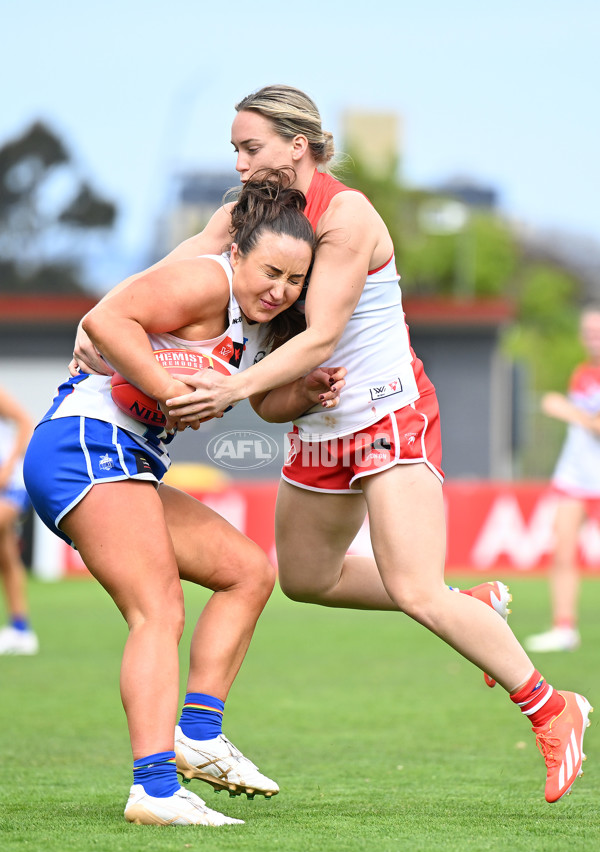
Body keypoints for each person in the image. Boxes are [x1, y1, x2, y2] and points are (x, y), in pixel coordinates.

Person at [72, 85, 592, 804]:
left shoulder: (347, 218)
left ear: (298, 145)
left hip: (385, 416)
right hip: (314, 422)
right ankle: (466, 605)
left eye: (251, 148)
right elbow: (182, 258)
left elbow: (318, 336)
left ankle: (550, 706)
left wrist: (229, 392)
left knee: (413, 588)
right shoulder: (247, 216)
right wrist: (96, 319)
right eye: (234, 151)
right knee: (306, 578)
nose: (242, 163)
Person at [24, 174, 341, 826]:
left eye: (293, 281)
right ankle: (154, 791)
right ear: (238, 257)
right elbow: (104, 320)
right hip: (83, 442)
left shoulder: (261, 323)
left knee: (248, 572)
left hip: (128, 459)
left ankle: (197, 735)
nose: (279, 290)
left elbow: (261, 401)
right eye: (270, 272)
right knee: (159, 610)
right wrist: (167, 389)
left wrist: (307, 392)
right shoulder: (207, 281)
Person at [525, 306, 600, 653]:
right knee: (563, 550)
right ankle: (564, 627)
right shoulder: (583, 373)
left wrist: (563, 408)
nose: (591, 338)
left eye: (596, 331)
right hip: (575, 477)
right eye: (587, 331)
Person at [0, 386, 38, 655]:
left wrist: (9, 465)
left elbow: (25, 421)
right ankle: (21, 630)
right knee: (6, 554)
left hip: (9, 483)